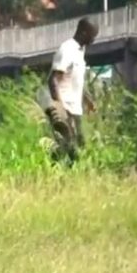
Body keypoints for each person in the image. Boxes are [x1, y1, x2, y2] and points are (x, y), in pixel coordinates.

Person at [37, 17, 98, 164]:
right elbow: (53, 80)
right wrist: (60, 107)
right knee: (69, 148)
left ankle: (66, 175)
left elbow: (74, 79)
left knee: (79, 147)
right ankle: (53, 173)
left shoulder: (80, 51)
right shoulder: (67, 49)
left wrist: (88, 99)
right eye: (92, 35)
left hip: (76, 109)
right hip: (66, 109)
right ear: (83, 33)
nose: (93, 40)